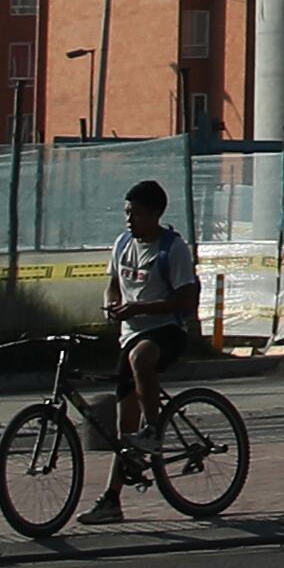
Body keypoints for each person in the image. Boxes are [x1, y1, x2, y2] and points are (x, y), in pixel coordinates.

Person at [89, 180, 200, 524]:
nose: (129, 219)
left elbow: (187, 300)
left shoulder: (173, 248)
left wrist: (140, 309)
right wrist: (111, 304)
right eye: (126, 212)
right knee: (125, 431)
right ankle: (112, 500)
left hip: (166, 331)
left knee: (142, 359)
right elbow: (112, 285)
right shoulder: (123, 244)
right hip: (130, 334)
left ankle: (154, 430)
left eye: (135, 213)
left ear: (154, 214)